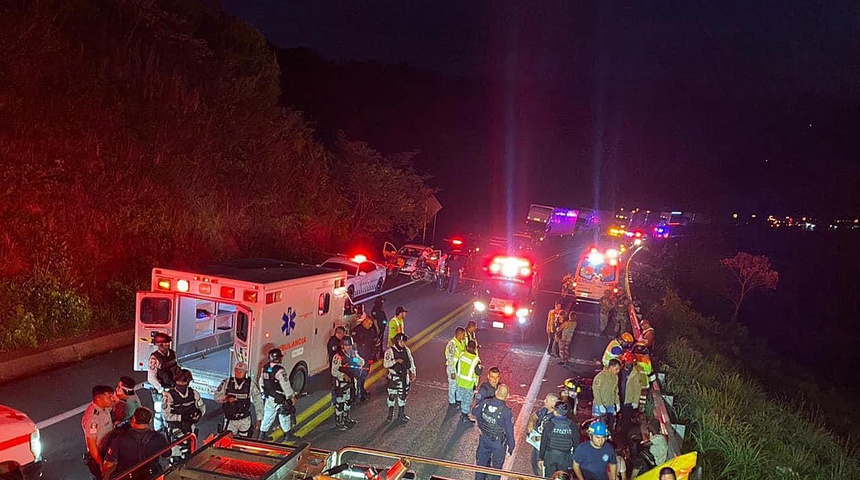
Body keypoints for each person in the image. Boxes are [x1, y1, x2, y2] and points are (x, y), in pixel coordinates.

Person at [102, 407, 169, 480]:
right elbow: (167, 455)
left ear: (133, 419)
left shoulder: (120, 439)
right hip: (152, 475)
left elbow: (108, 465)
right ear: (150, 421)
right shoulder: (159, 437)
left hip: (127, 477)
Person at [472, 384, 515, 480]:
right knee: (496, 469)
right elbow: (509, 431)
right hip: (498, 443)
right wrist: (511, 446)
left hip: (484, 438)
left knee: (480, 465)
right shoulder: (506, 412)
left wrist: (480, 425)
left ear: (496, 392)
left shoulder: (485, 403)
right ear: (507, 396)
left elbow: (474, 412)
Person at [215, 362, 263, 438]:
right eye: (236, 370)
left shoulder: (251, 385)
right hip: (230, 420)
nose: (238, 373)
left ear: (246, 372)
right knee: (227, 441)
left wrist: (259, 419)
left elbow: (258, 402)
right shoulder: (226, 382)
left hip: (244, 420)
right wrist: (226, 398)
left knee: (244, 441)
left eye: (241, 371)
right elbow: (216, 397)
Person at [259, 348, 297, 440]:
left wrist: (263, 392)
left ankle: (262, 434)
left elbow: (261, 381)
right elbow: (285, 385)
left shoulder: (265, 367)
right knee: (284, 415)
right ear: (278, 358)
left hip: (269, 396)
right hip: (279, 397)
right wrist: (291, 397)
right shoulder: (280, 370)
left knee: (268, 415)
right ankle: (288, 435)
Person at [147, 332, 181, 432]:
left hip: (172, 387)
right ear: (159, 344)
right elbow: (151, 378)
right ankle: (158, 431)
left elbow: (176, 368)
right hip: (160, 390)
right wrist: (161, 390)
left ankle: (169, 431)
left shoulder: (172, 354)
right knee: (158, 412)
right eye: (165, 343)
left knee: (170, 411)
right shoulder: (154, 358)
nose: (167, 344)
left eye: (168, 342)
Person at [82, 385, 115, 479]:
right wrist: (101, 465)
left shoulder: (104, 407)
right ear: (98, 399)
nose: (112, 399)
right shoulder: (92, 418)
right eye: (109, 397)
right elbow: (92, 446)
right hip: (102, 455)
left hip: (109, 449)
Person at [330, 337, 364, 430]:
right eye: (346, 345)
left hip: (351, 383)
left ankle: (346, 418)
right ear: (342, 346)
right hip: (341, 385)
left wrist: (355, 359)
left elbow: (362, 362)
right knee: (340, 403)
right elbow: (333, 371)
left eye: (350, 345)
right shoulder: (338, 356)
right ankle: (339, 421)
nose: (348, 347)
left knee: (349, 401)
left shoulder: (353, 354)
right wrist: (342, 375)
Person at [162, 369, 205, 440]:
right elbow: (166, 416)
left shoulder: (194, 394)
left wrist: (199, 413)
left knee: (192, 449)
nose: (181, 384)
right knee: (178, 450)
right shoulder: (169, 396)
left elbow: (202, 407)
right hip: (175, 429)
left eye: (183, 381)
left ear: (188, 382)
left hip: (190, 428)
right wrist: (182, 417)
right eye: (178, 381)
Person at [383, 332, 416, 422]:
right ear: (397, 341)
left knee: (402, 396)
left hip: (404, 377)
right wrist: (395, 361)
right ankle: (390, 414)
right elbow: (386, 364)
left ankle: (401, 414)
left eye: (404, 342)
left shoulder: (407, 350)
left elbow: (411, 362)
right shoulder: (390, 351)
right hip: (393, 377)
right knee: (391, 396)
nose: (403, 344)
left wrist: (413, 372)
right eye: (402, 341)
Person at [538, 401, 576, 479]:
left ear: (555, 411)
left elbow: (543, 443)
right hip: (565, 458)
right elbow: (576, 444)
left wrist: (541, 458)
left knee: (550, 477)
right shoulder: (572, 425)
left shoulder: (550, 424)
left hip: (550, 457)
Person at [526, 393, 558, 476]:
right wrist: (531, 422)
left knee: (541, 468)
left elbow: (554, 436)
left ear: (553, 402)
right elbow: (535, 415)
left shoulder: (555, 417)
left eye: (546, 400)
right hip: (537, 446)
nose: (544, 401)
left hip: (546, 449)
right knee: (534, 463)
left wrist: (538, 438)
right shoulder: (545, 410)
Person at [352, 315, 379, 401]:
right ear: (365, 321)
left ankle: (361, 390)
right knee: (359, 375)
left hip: (368, 356)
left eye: (371, 324)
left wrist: (376, 344)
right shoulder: (356, 331)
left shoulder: (370, 330)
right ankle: (358, 393)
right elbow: (354, 346)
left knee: (364, 374)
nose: (370, 326)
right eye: (369, 324)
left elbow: (372, 340)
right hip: (359, 358)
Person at [619, 362, 649, 438]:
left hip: (629, 400)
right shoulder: (619, 371)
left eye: (630, 363)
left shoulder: (635, 373)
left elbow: (637, 389)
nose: (629, 365)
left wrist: (635, 401)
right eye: (628, 363)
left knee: (626, 420)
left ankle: (623, 436)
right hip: (619, 398)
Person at [592, 359, 622, 434]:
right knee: (598, 425)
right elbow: (596, 392)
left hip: (610, 405)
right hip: (600, 405)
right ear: (611, 367)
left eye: (618, 369)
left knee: (610, 426)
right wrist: (600, 404)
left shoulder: (615, 378)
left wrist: (617, 403)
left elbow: (616, 391)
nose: (618, 371)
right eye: (616, 369)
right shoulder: (600, 377)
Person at [455, 340, 482, 422]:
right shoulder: (476, 359)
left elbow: (457, 366)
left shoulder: (462, 355)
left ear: (467, 347)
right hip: (469, 384)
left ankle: (459, 405)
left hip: (459, 381)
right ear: (475, 348)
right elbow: (478, 372)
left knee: (461, 397)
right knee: (467, 401)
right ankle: (464, 416)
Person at [445, 327, 467, 406]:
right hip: (453, 368)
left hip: (459, 368)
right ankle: (452, 402)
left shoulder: (462, 342)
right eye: (463, 335)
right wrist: (452, 371)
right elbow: (450, 358)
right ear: (459, 334)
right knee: (453, 385)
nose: (464, 336)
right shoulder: (452, 344)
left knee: (458, 384)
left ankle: (458, 399)